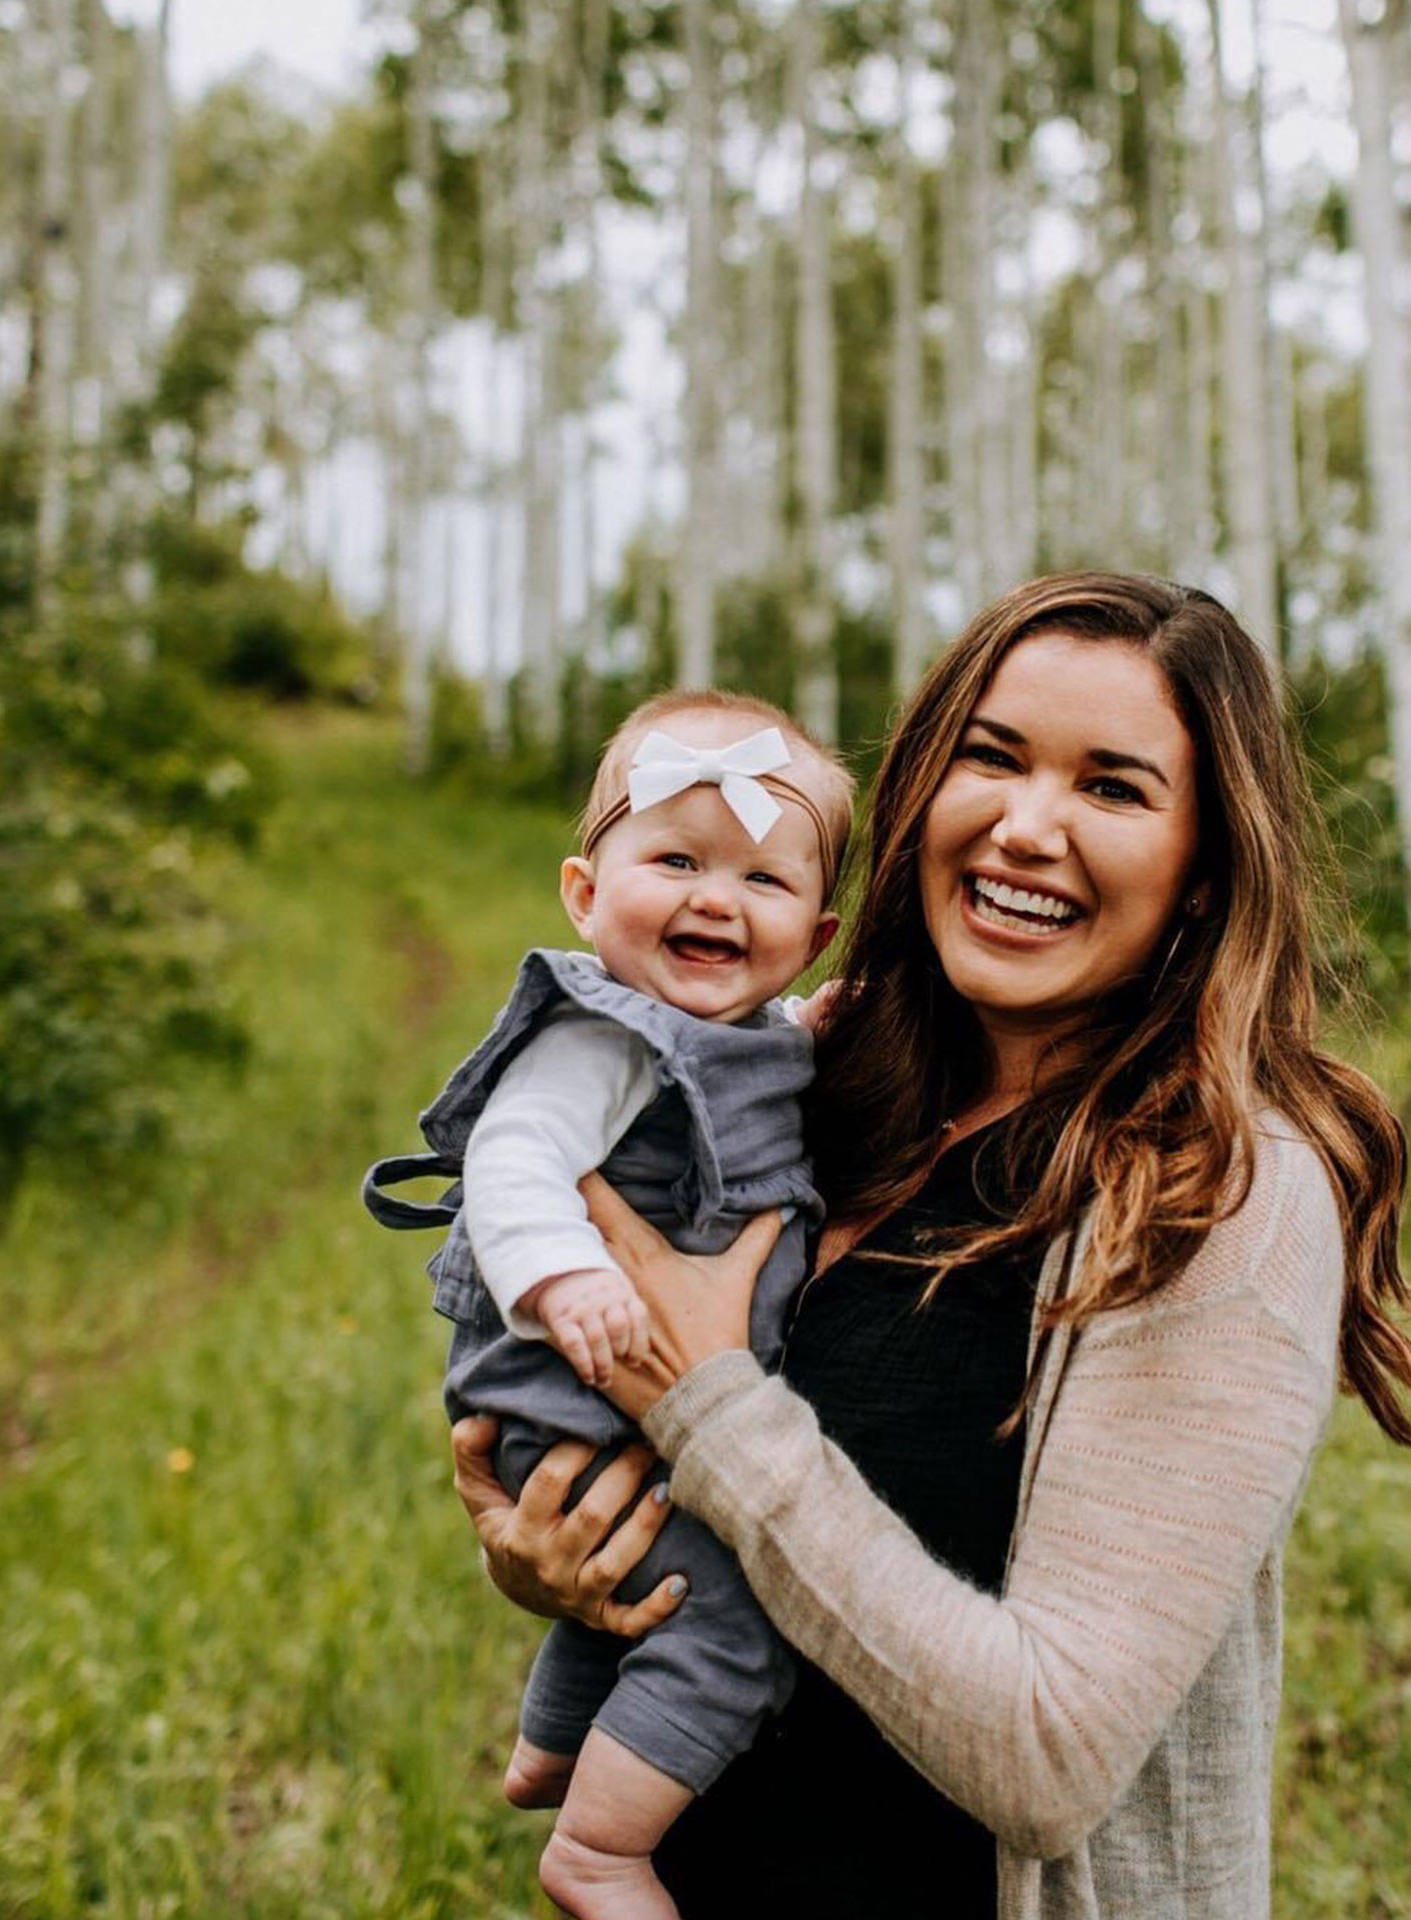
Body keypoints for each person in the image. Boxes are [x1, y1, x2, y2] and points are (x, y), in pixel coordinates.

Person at [453, 572, 1411, 1920]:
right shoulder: (805, 1076)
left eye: (1113, 787)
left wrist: (705, 1406)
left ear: (1206, 873)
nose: (1029, 827)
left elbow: (1051, 1756)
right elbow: (651, 1460)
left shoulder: (1219, 1193)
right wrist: (556, 1554)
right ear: (919, 794)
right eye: (994, 756)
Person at [365, 690, 853, 1919]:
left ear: (818, 932)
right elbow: (515, 1156)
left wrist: (810, 1023)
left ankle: (553, 1750)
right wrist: (565, 1273)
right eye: (676, 860)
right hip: (572, 1370)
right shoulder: (609, 1038)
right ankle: (601, 1852)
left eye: (762, 882)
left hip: (624, 1396)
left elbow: (762, 1049)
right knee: (733, 1622)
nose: (714, 899)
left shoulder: (750, 1029)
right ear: (585, 894)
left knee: (639, 1578)